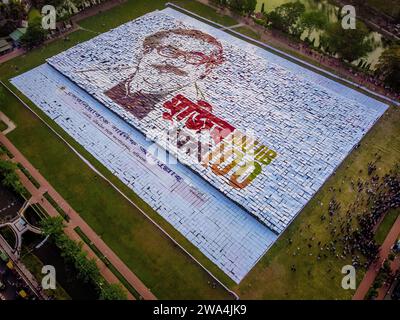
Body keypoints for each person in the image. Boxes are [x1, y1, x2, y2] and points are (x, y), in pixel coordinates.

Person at [104, 28, 224, 120]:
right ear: (146, 51)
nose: (176, 62)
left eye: (194, 58)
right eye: (169, 50)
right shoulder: (102, 78)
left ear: (205, 72)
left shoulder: (183, 118)